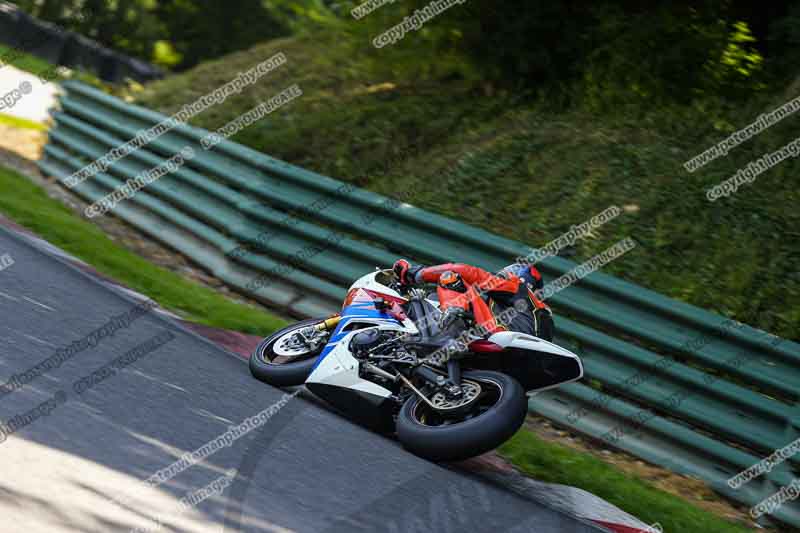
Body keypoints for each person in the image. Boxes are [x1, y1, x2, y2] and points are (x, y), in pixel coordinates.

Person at [392, 259, 554, 341]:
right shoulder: (540, 315)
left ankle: (445, 324)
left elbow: (464, 271)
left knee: (450, 278)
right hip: (514, 363)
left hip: (498, 337)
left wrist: (418, 274)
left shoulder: (516, 286)